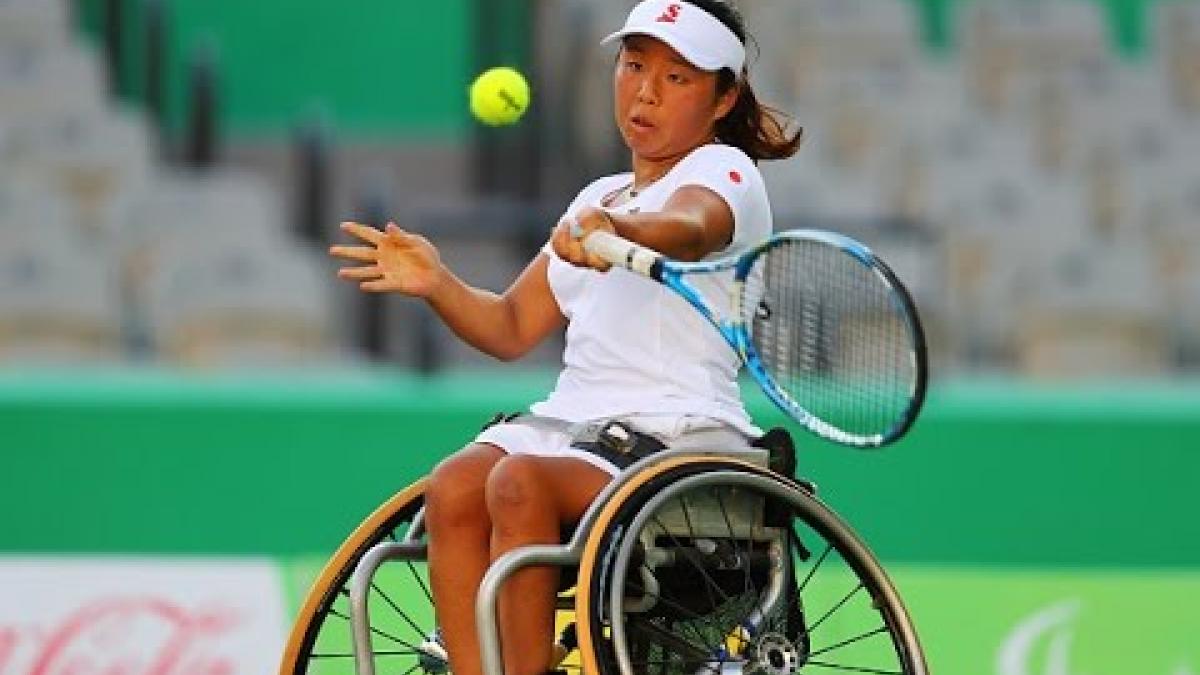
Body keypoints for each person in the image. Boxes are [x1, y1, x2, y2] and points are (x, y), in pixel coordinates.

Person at [329, 1, 801, 673]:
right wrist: (438, 282)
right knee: (455, 485)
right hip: (575, 427)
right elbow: (510, 325)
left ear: (724, 98)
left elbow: (690, 226)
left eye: (678, 78)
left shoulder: (724, 173)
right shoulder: (595, 197)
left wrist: (621, 234)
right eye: (635, 66)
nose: (645, 91)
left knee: (519, 482)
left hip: (677, 434)